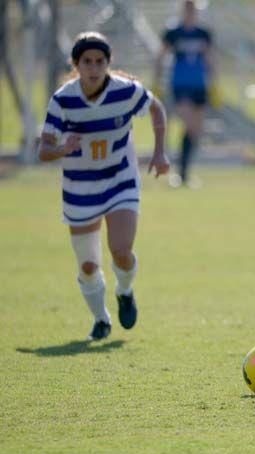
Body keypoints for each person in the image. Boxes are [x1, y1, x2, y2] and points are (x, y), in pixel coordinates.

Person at [39, 32, 170, 340]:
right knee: (87, 265)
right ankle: (101, 319)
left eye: (100, 61)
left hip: (119, 180)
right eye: (87, 62)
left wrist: (160, 150)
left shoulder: (125, 92)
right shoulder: (63, 100)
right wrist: (62, 148)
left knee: (121, 252)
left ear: (109, 63)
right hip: (79, 188)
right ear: (76, 64)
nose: (94, 68)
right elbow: (43, 151)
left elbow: (156, 107)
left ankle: (125, 291)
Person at [154, 0, 220, 188]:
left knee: (196, 131)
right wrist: (157, 80)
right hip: (180, 85)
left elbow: (210, 57)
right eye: (187, 9)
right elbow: (161, 56)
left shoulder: (203, 33)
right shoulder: (174, 32)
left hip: (199, 86)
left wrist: (215, 84)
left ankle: (184, 173)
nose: (190, 13)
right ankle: (181, 173)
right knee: (189, 125)